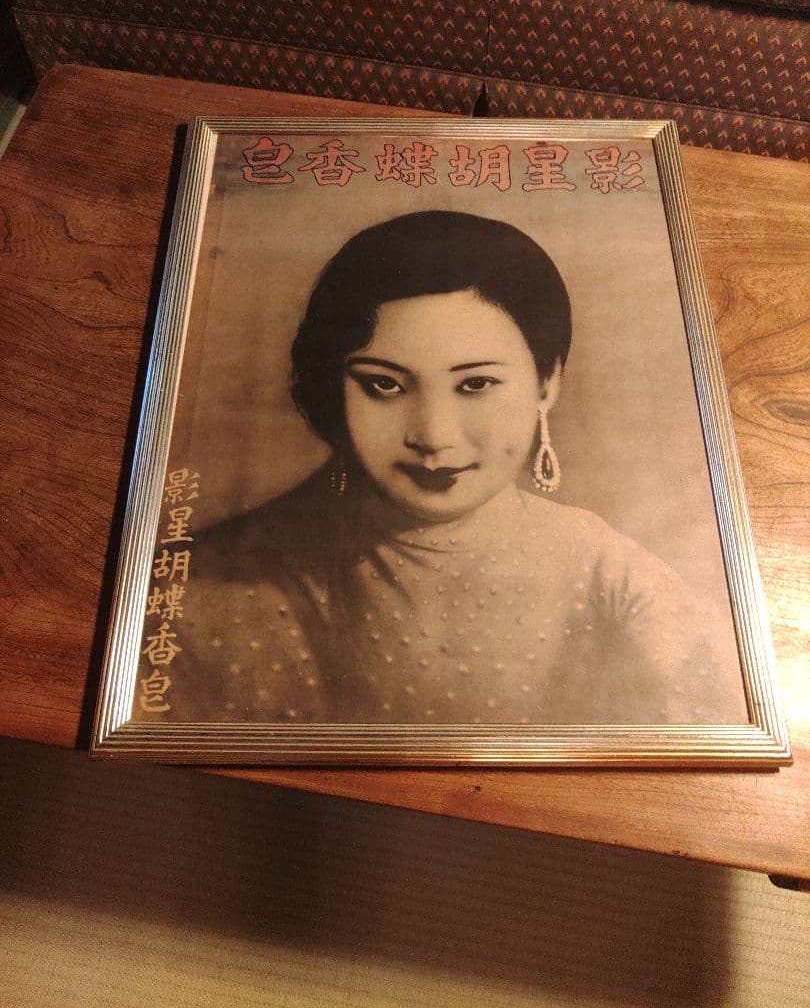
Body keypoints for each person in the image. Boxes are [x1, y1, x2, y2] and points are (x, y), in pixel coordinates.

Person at [153, 211, 746, 725]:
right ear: (335, 386)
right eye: (384, 385)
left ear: (546, 381)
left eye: (476, 384)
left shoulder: (613, 581)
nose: (434, 436)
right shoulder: (210, 582)